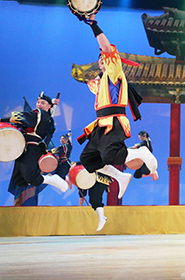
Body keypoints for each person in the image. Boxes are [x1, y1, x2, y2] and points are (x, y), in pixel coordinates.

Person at [77, 12, 157, 200]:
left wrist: (93, 25)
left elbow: (106, 48)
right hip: (100, 124)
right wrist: (99, 73)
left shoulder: (115, 73)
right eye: (100, 60)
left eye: (105, 58)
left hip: (114, 121)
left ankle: (141, 151)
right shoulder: (102, 79)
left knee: (110, 154)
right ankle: (120, 177)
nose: (102, 61)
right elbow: (93, 85)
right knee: (88, 159)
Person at [2, 93, 68, 194]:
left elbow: (18, 118)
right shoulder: (46, 118)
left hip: (32, 147)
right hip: (24, 148)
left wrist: (2, 120)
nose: (39, 104)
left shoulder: (39, 114)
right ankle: (42, 177)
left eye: (42, 103)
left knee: (31, 177)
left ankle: (52, 179)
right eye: (38, 102)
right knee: (19, 179)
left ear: (48, 106)